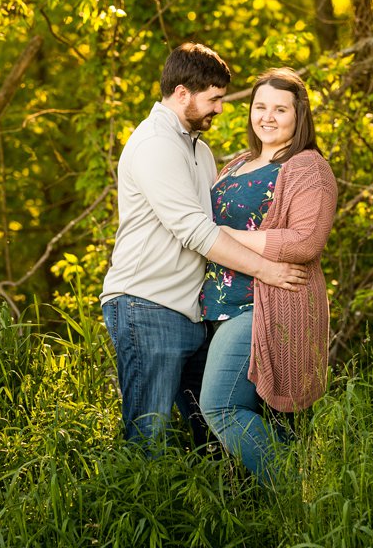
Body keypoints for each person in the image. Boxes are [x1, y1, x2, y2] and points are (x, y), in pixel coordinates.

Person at [100, 44, 309, 449]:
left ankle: (237, 508)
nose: (220, 109)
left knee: (211, 433)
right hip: (147, 305)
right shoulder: (155, 144)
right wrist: (267, 270)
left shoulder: (197, 147)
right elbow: (196, 231)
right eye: (213, 98)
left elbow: (214, 224)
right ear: (182, 93)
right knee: (149, 433)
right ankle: (139, 508)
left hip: (189, 313)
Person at [198, 67, 337, 487]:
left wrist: (225, 234)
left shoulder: (307, 167)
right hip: (219, 305)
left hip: (264, 301)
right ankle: (289, 502)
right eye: (260, 107)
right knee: (255, 418)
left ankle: (298, 493)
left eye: (280, 109)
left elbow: (306, 241)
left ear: (299, 116)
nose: (268, 117)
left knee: (219, 405)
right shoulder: (238, 163)